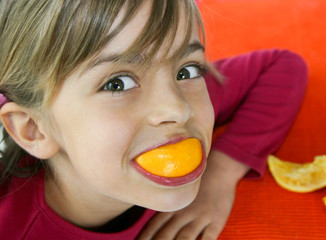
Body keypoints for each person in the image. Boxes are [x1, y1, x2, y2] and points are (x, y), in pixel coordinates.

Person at [0, 0, 308, 239]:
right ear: (33, 129)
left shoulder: (183, 98)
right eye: (117, 84)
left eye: (186, 69)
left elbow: (282, 66)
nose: (178, 109)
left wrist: (220, 176)